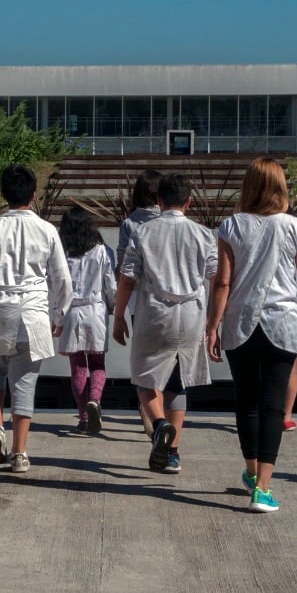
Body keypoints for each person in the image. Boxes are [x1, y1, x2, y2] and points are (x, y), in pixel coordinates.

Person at [206, 157, 297, 513]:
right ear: (281, 188)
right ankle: (263, 487)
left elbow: (222, 282)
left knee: (246, 402)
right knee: (274, 406)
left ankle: (251, 470)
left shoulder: (231, 226)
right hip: (283, 321)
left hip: (240, 323)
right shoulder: (296, 228)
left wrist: (212, 326)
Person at [0, 164, 73, 473]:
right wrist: (59, 313)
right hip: (34, 312)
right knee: (25, 382)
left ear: (3, 195)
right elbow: (62, 279)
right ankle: (20, 453)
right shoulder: (47, 230)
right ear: (34, 196)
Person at [113, 173, 215, 474]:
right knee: (178, 382)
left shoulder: (143, 232)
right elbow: (217, 277)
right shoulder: (203, 234)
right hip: (192, 315)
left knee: (145, 376)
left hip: (155, 312)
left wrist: (118, 316)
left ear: (159, 201)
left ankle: (158, 425)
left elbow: (127, 277)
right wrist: (215, 323)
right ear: (189, 202)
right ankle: (172, 454)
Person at [58, 207, 116, 435]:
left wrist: (57, 315)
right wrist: (112, 308)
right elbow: (111, 284)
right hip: (95, 310)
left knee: (77, 367)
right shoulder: (102, 251)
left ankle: (83, 417)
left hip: (71, 311)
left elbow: (58, 287)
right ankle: (95, 400)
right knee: (98, 364)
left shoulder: (63, 253)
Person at [117, 170, 163, 435]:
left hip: (139, 302)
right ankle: (162, 412)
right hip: (172, 301)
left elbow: (124, 269)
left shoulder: (130, 224)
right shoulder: (173, 222)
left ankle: (148, 415)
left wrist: (119, 309)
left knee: (144, 360)